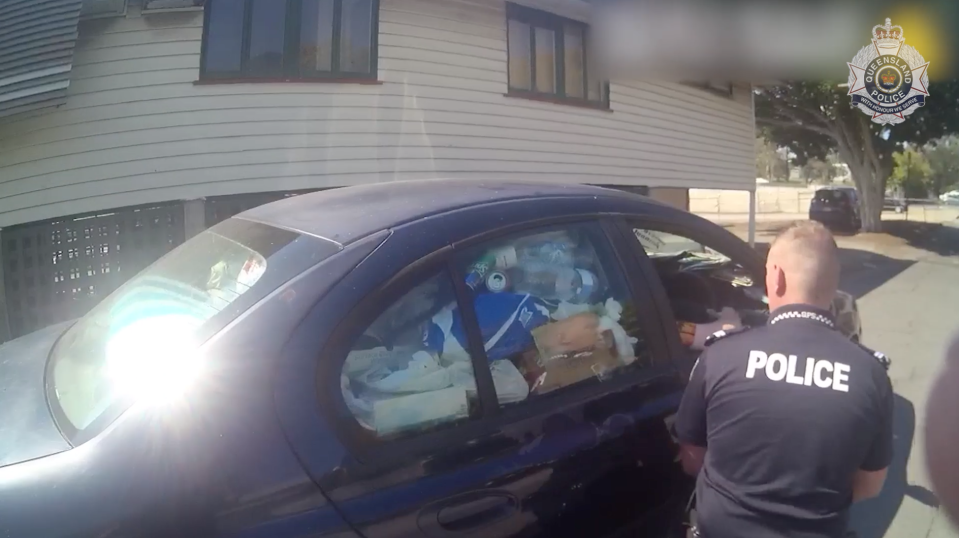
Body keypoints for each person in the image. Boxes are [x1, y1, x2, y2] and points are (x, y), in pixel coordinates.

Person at [674, 221, 893, 538]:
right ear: (832, 283)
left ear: (775, 276)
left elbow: (691, 459)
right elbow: (870, 485)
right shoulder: (870, 375)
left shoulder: (720, 356)